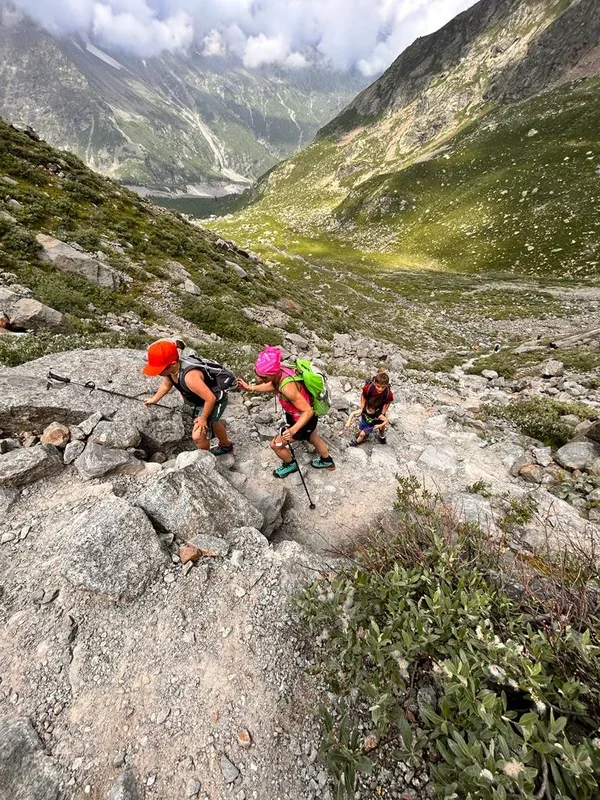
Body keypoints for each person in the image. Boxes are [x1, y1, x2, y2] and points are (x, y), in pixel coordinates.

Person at [237, 345, 335, 478]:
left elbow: (307, 411)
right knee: (313, 437)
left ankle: (290, 464)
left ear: (273, 373)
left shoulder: (288, 388)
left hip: (303, 419)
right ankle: (327, 461)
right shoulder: (282, 370)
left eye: (263, 377)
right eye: (257, 374)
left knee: (276, 445)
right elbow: (272, 385)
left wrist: (293, 430)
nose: (260, 379)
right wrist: (251, 388)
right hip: (299, 416)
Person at [142, 339, 234, 454]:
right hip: (203, 398)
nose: (157, 373)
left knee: (198, 436)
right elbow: (166, 385)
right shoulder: (171, 371)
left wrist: (203, 419)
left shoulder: (190, 377)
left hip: (214, 398)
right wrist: (154, 399)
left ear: (173, 364)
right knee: (214, 422)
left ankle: (206, 458)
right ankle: (226, 445)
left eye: (159, 369)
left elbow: (210, 399)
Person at [346, 369, 393, 446]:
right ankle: (365, 431)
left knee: (381, 421)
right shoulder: (368, 388)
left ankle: (381, 434)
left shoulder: (388, 394)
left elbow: (387, 403)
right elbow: (363, 396)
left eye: (383, 387)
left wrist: (383, 412)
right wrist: (362, 407)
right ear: (374, 383)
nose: (380, 389)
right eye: (378, 386)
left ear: (387, 385)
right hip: (370, 404)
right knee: (366, 416)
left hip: (379, 406)